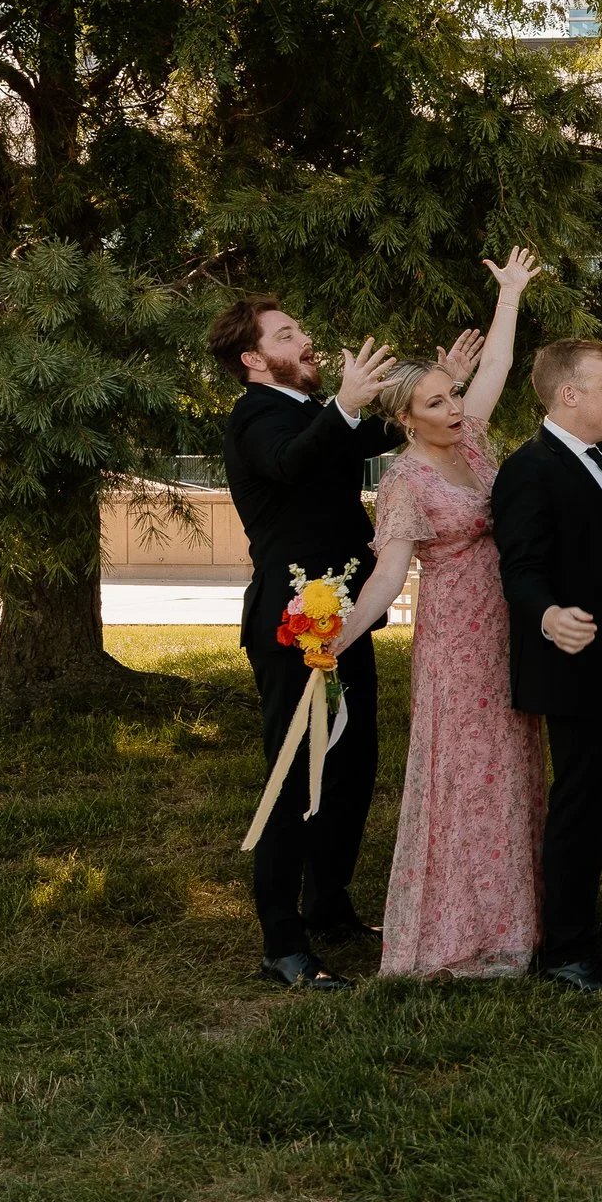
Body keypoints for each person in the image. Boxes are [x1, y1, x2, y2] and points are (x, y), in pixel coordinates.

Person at [330, 249, 545, 979]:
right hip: (455, 639)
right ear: (404, 419)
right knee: (464, 773)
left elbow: (499, 366)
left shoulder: (473, 440)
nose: (453, 408)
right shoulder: (405, 481)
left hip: (507, 624)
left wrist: (509, 295)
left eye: (452, 395)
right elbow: (389, 576)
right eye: (435, 404)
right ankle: (455, 929)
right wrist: (338, 638)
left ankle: (515, 919)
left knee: (511, 766)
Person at [213, 298, 412, 989]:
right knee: (294, 776)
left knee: (352, 769)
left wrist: (437, 381)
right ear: (253, 358)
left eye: (300, 329)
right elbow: (293, 463)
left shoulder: (311, 412)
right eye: (286, 334)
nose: (305, 339)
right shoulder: (255, 417)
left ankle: (328, 904)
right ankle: (282, 941)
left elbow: (369, 435)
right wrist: (346, 406)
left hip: (344, 622)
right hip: (292, 628)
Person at [491, 338, 602, 991]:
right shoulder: (528, 469)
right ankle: (566, 948)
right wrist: (547, 615)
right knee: (585, 807)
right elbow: (520, 567)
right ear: (569, 394)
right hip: (582, 667)